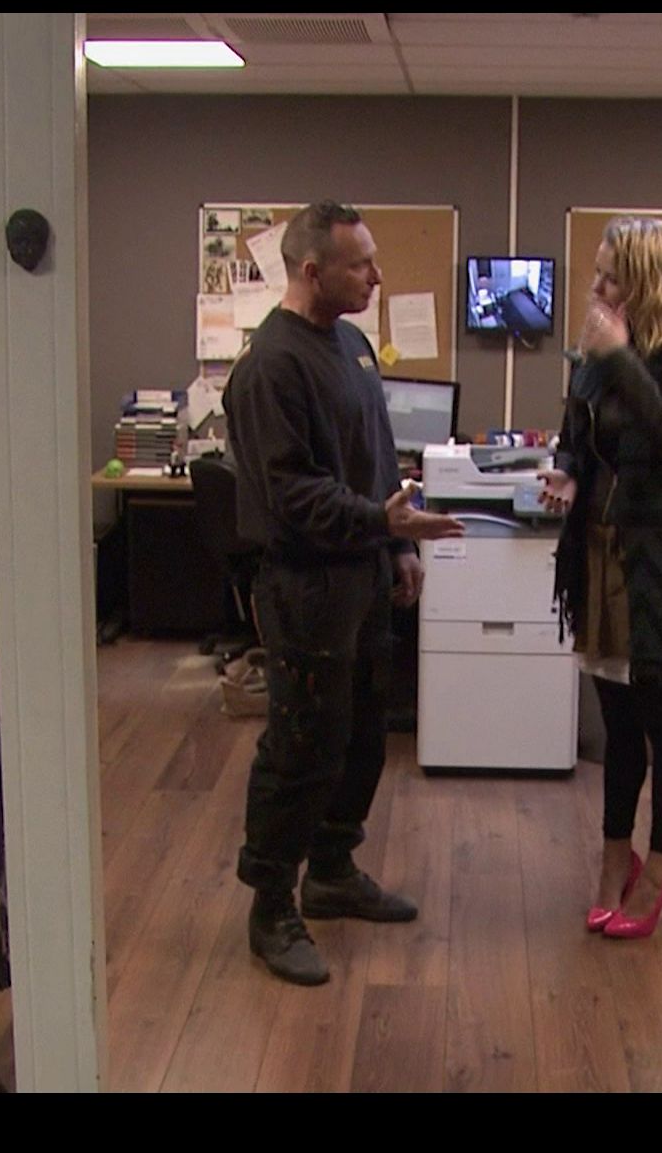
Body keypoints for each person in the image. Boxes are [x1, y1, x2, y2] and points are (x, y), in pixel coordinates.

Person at [222, 201, 465, 986]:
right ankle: (271, 907)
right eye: (360, 264)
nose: (377, 276)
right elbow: (291, 493)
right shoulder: (270, 366)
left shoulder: (353, 346)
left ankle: (331, 872)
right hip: (304, 584)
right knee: (302, 746)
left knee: (362, 735)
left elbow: (376, 458)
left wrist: (396, 545)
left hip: (362, 572)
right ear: (311, 270)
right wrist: (378, 523)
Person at [539, 216, 662, 940]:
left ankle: (659, 870)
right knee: (616, 720)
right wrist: (566, 468)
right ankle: (614, 857)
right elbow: (576, 431)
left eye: (611, 277)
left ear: (646, 283)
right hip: (598, 551)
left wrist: (619, 357)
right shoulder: (595, 357)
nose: (597, 287)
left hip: (658, 559)